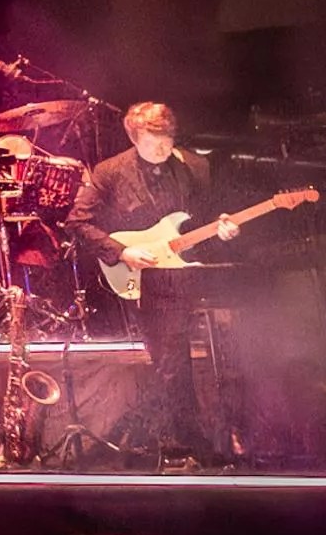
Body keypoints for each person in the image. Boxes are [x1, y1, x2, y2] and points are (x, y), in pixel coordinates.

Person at [68, 101, 239, 467]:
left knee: (217, 352)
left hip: (190, 270)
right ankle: (184, 446)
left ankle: (211, 439)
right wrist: (122, 251)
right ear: (134, 137)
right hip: (146, 278)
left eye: (168, 139)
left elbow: (206, 220)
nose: (163, 148)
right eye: (154, 141)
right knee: (171, 360)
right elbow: (78, 223)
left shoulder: (195, 165)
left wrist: (223, 229)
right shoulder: (110, 172)